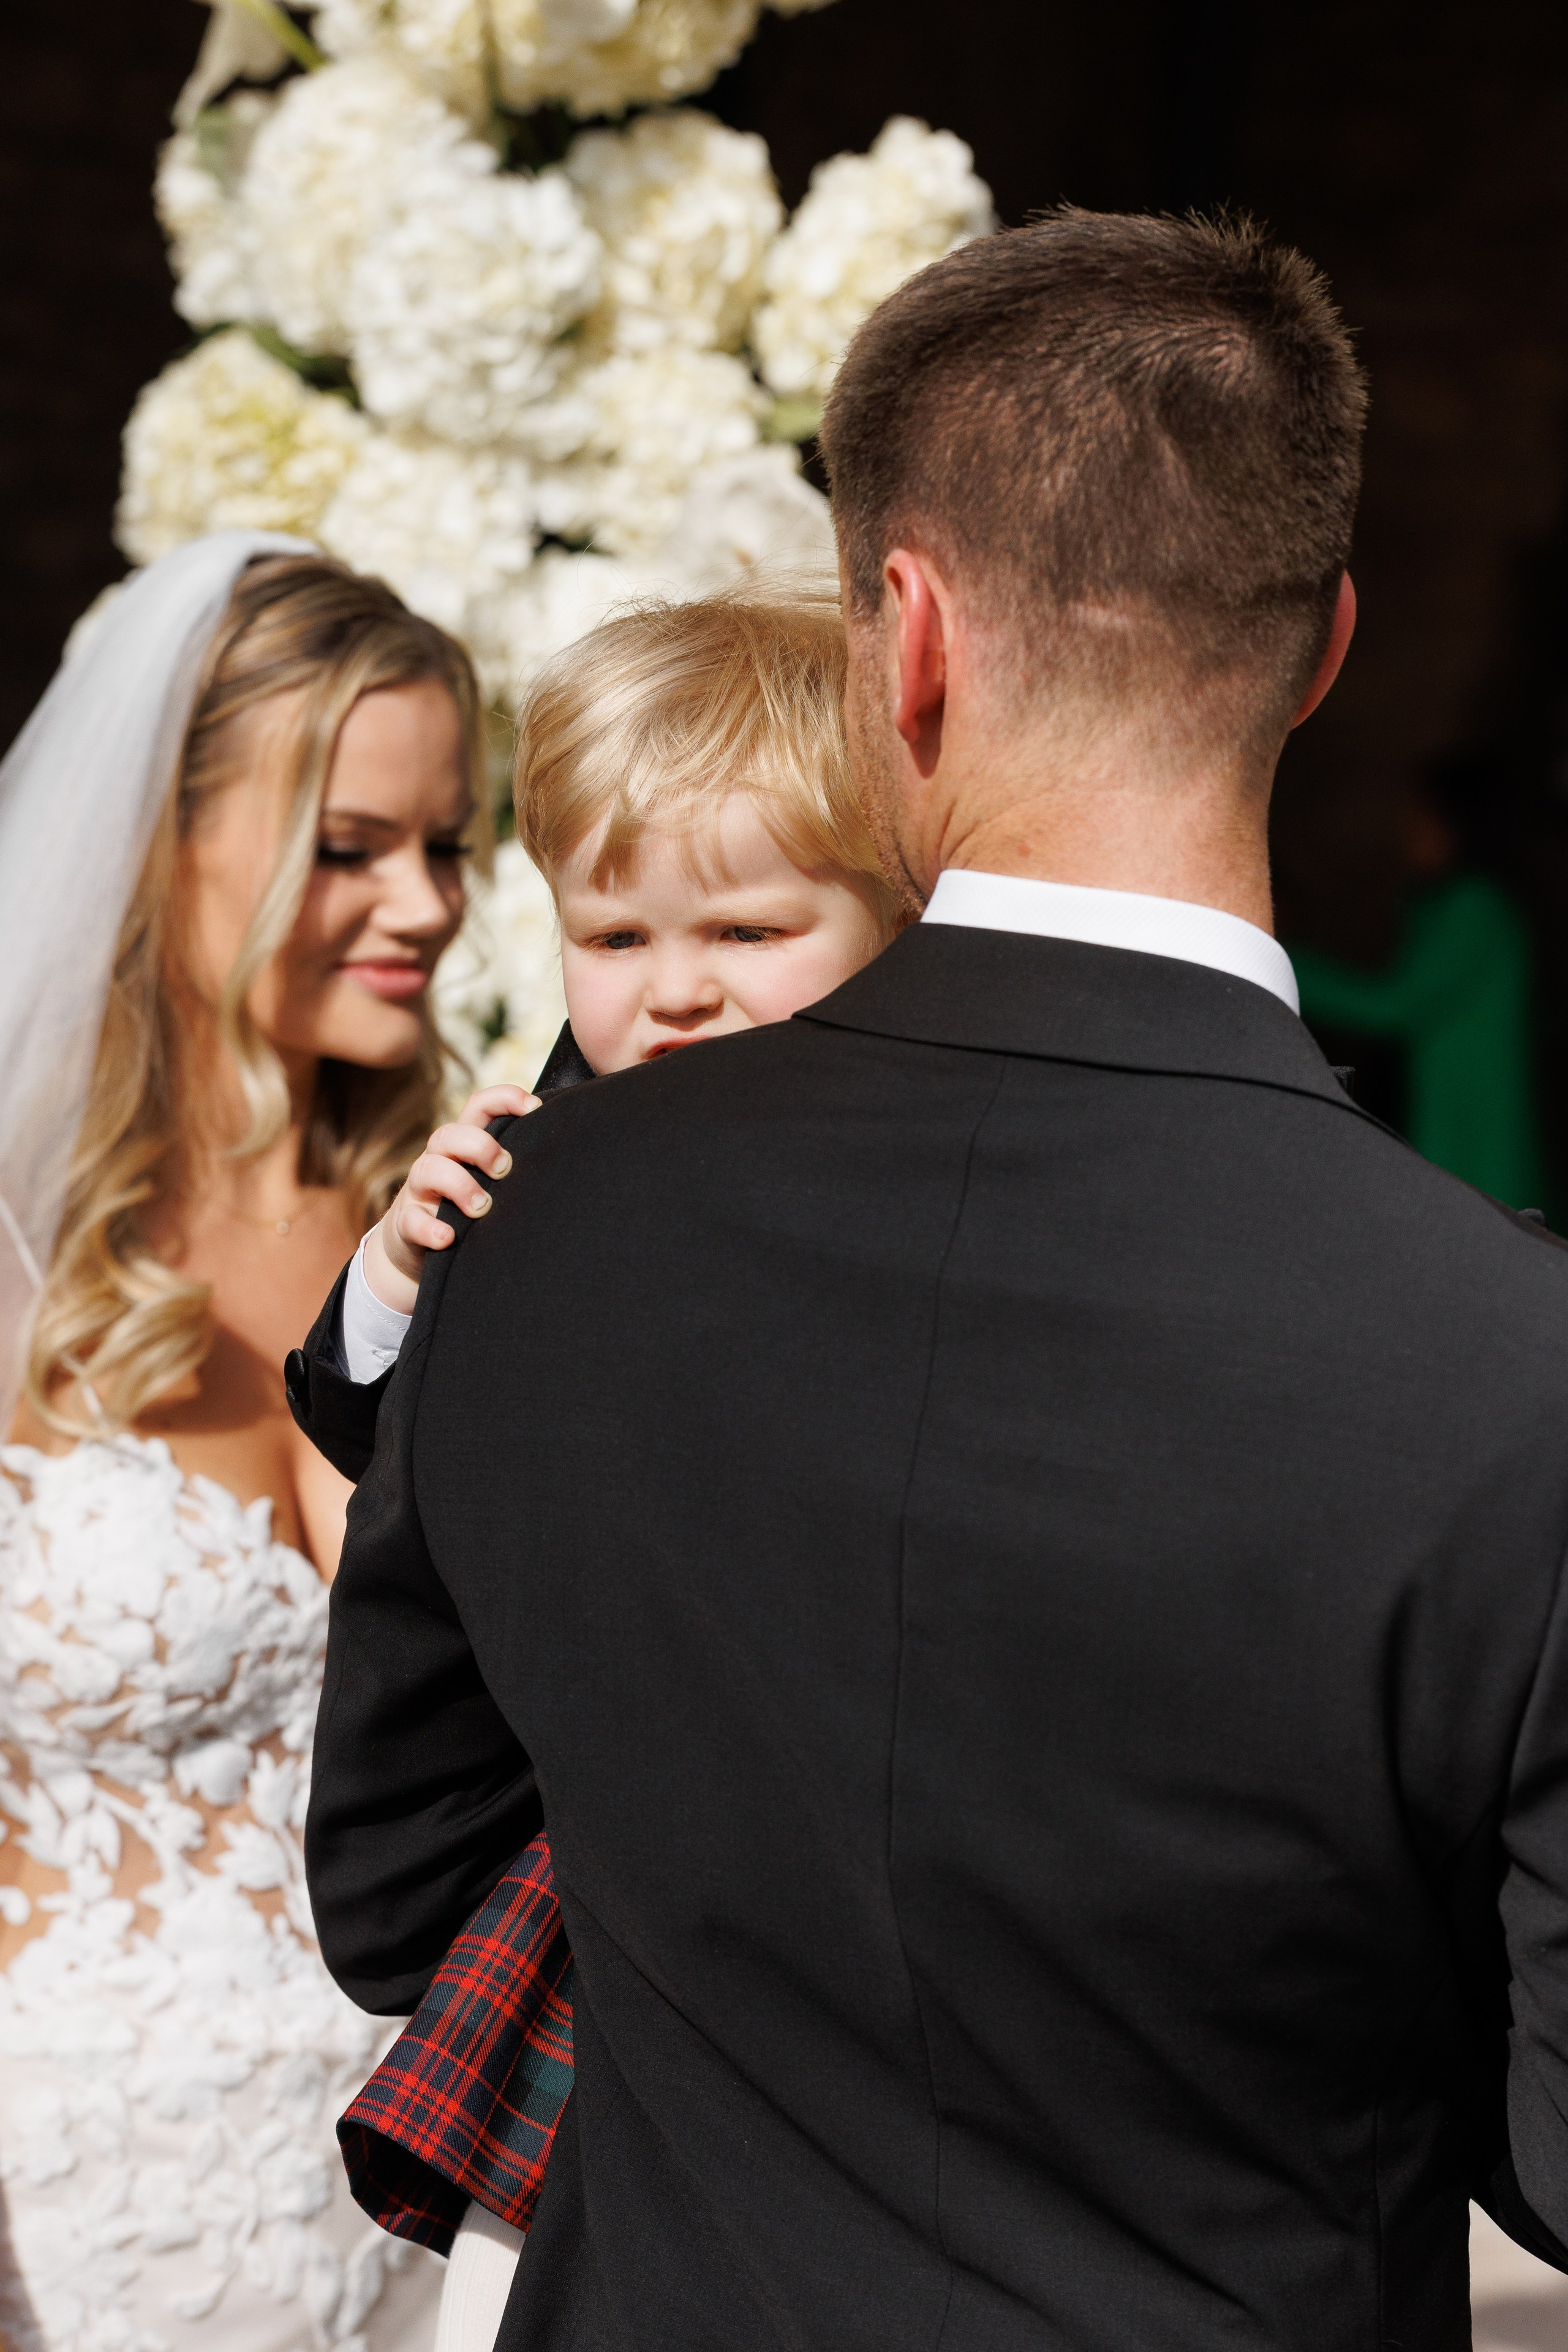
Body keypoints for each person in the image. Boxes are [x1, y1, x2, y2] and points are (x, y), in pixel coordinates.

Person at [301, 210, 1568, 2351]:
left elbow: (398, 1888)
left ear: (902, 639)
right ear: (1325, 648)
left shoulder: (533, 1236)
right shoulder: (1512, 1361)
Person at [285, 594, 900, 2352]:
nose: (675, 989)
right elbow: (371, 1436)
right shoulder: (540, 1171)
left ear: (900, 908)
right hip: (613, 1900)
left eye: (749, 929)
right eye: (614, 936)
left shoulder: (918, 1172)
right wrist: (399, 1273)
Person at [0, 533, 482, 2352]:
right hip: (95, 2225)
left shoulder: (462, 1236)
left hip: (435, 2202)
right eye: (349, 847)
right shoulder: (17, 1256)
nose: (424, 905)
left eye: (448, 844)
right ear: (161, 842)